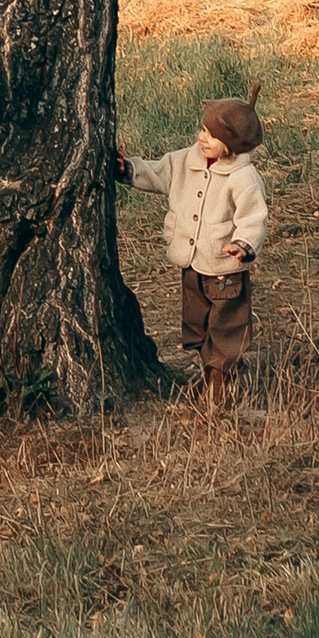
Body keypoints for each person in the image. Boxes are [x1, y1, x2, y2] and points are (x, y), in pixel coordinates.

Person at [116, 87, 268, 409]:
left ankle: (223, 386)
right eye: (202, 129)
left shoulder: (243, 177)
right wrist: (128, 170)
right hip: (193, 264)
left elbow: (253, 216)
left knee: (226, 327)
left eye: (212, 135)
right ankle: (210, 373)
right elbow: (158, 172)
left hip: (225, 269)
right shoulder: (187, 160)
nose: (202, 137)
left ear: (232, 144)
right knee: (198, 324)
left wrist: (243, 244)